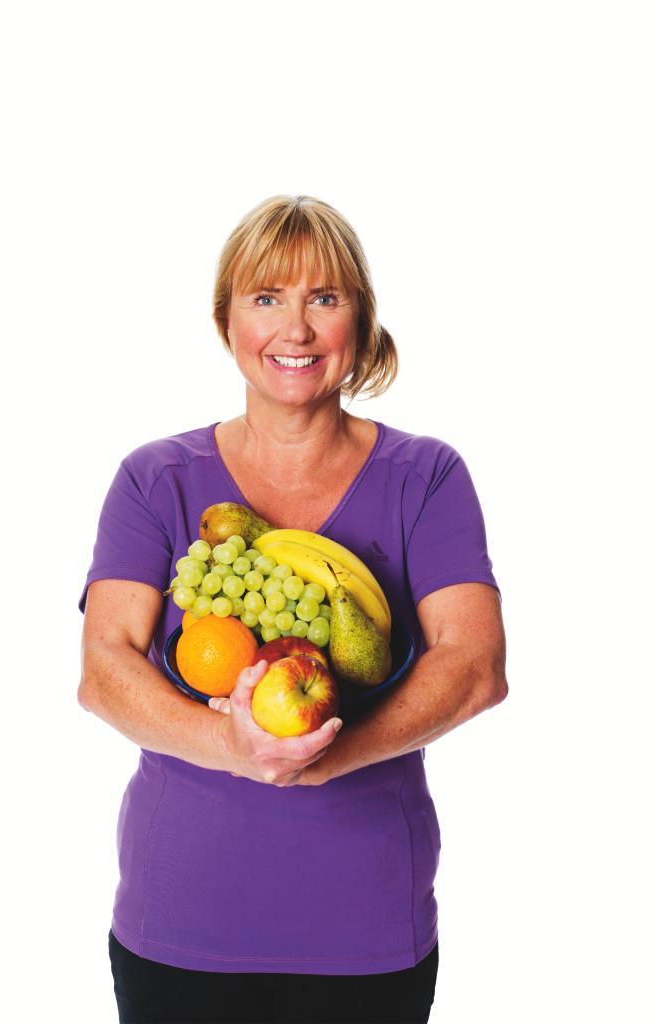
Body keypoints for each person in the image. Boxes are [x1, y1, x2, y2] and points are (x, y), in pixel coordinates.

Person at [78, 194, 508, 1024]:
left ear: (360, 320)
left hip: (367, 925)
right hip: (179, 922)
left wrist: (320, 759)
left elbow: (475, 666)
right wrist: (235, 750)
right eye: (266, 297)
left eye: (325, 297)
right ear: (226, 320)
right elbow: (104, 669)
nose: (295, 329)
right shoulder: (155, 480)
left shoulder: (426, 478)